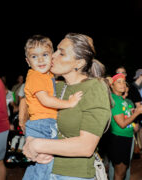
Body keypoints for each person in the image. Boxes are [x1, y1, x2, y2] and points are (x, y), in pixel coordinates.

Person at [22, 33, 111, 180]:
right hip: (44, 169)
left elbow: (86, 146)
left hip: (72, 174)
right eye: (55, 50)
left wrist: (37, 145)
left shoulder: (94, 88)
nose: (53, 56)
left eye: (61, 53)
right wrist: (29, 142)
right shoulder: (56, 86)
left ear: (79, 63)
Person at [23, 35, 82, 180]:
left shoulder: (48, 75)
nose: (41, 60)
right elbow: (46, 100)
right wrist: (69, 103)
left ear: (52, 57)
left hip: (43, 123)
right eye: (34, 56)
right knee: (46, 164)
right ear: (28, 61)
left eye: (45, 54)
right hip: (42, 124)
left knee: (39, 164)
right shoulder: (35, 76)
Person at [107, 73, 142, 180]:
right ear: (112, 86)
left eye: (124, 82)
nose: (122, 85)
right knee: (119, 173)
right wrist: (136, 113)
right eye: (119, 82)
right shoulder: (115, 100)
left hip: (126, 137)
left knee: (122, 172)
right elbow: (122, 124)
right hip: (119, 139)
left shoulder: (121, 99)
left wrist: (135, 111)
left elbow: (125, 116)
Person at [133, 69, 142, 158]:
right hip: (134, 110)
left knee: (141, 129)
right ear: (140, 75)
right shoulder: (132, 86)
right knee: (136, 129)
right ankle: (136, 149)